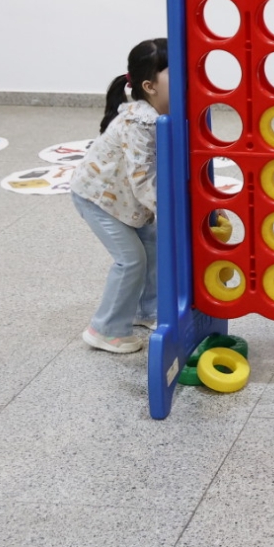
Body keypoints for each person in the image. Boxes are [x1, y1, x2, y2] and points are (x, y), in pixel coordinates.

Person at [70, 39, 170, 355]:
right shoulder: (140, 123)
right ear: (150, 86)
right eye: (176, 72)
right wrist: (171, 211)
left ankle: (146, 310)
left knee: (151, 248)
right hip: (99, 199)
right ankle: (105, 329)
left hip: (126, 201)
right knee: (131, 260)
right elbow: (142, 178)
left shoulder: (165, 113)